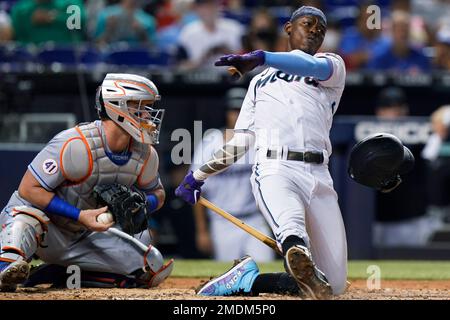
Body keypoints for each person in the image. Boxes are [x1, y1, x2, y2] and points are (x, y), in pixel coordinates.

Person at [176, 6, 347, 299]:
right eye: (308, 23)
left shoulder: (330, 65)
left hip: (319, 174)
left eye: (321, 27)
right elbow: (243, 141)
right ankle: (295, 247)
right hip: (275, 168)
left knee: (332, 285)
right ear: (288, 29)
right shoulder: (259, 82)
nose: (316, 30)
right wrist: (199, 175)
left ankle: (247, 280)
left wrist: (262, 57)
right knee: (294, 237)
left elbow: (308, 66)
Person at [0, 73, 173, 291]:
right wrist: (80, 216)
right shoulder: (75, 143)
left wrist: (142, 203)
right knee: (25, 216)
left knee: (151, 267)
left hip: (82, 235)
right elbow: (28, 189)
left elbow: (159, 194)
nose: (148, 115)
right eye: (140, 107)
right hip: (45, 228)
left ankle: (56, 272)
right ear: (117, 107)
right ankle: (6, 264)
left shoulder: (146, 154)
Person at [191, 87, 274, 262]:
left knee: (264, 268)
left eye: (240, 110)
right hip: (223, 221)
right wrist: (202, 230)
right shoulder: (210, 141)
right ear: (226, 112)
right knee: (228, 277)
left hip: (254, 219)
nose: (237, 115)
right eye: (233, 110)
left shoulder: (260, 140)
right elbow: (196, 189)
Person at [177, 0, 244, 70]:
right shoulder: (187, 32)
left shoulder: (235, 28)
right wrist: (204, 58)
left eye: (210, 6)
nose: (207, 11)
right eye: (203, 7)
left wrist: (229, 53)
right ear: (196, 9)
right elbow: (181, 67)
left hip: (233, 76)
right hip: (199, 78)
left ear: (218, 7)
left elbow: (249, 61)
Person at [11, 0, 85, 45]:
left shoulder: (69, 3)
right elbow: (17, 37)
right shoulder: (21, 9)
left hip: (67, 59)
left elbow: (80, 21)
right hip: (32, 61)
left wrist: (52, 17)